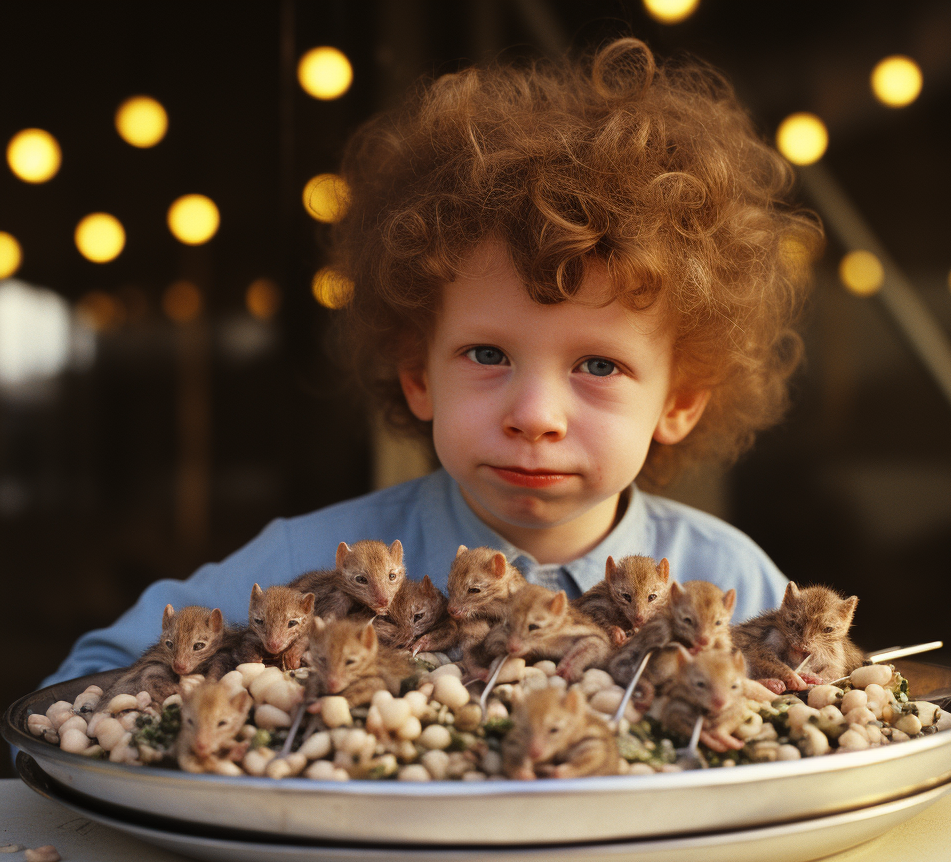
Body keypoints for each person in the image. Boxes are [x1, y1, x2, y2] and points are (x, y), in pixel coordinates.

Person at [44, 38, 820, 686]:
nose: (535, 416)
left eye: (599, 366)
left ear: (679, 399)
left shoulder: (729, 581)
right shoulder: (308, 561)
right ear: (417, 374)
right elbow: (90, 676)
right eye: (488, 354)